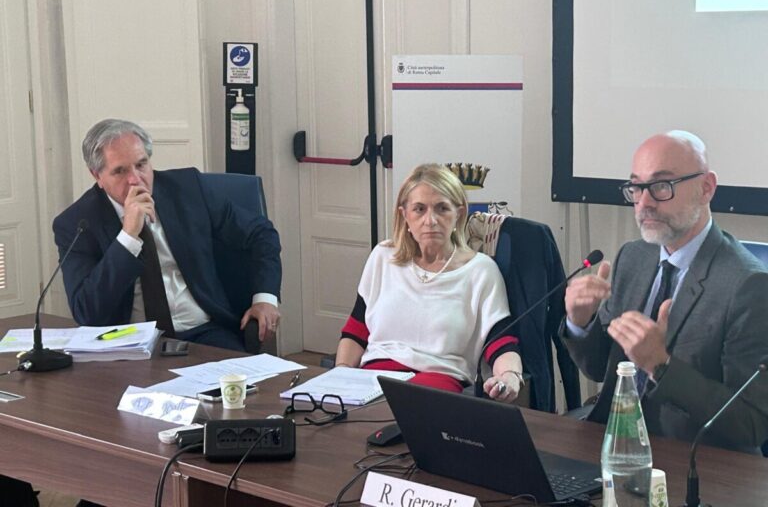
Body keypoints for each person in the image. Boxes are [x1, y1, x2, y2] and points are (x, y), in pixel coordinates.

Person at [561, 130, 768, 452]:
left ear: (706, 188)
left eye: (661, 186)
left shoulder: (748, 285)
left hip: (694, 461)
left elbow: (750, 425)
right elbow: (599, 368)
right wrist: (580, 321)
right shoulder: (633, 257)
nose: (644, 203)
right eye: (636, 187)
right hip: (614, 445)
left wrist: (660, 365)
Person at [53, 119, 282, 350]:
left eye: (141, 164)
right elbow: (87, 312)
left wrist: (265, 299)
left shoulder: (188, 189)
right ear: (97, 176)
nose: (135, 179)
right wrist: (128, 237)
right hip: (129, 343)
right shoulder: (76, 223)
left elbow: (260, 233)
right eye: (120, 171)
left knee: (238, 371)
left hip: (203, 332)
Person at [335, 163, 524, 401]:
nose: (430, 220)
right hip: (372, 380)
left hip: (437, 382)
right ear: (404, 215)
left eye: (442, 208)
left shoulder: (480, 271)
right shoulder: (383, 257)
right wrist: (340, 374)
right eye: (419, 209)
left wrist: (509, 376)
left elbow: (501, 342)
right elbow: (356, 331)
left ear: (459, 214)